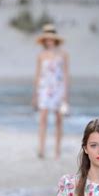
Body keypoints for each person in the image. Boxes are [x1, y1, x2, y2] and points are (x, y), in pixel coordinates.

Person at [33, 24, 70, 159]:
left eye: (51, 39)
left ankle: (57, 151)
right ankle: (41, 149)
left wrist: (66, 95)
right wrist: (35, 95)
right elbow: (38, 75)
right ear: (44, 40)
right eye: (46, 39)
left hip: (58, 90)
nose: (49, 41)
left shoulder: (64, 55)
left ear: (55, 40)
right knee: (43, 119)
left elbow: (66, 75)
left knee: (58, 120)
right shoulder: (41, 55)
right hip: (43, 89)